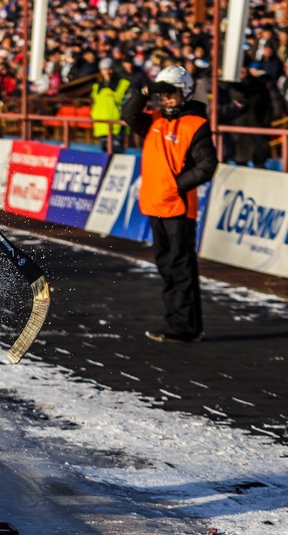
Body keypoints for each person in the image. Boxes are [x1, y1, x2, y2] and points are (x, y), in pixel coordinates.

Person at [122, 65, 217, 344]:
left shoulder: (196, 124)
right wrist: (143, 92)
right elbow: (128, 114)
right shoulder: (154, 119)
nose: (166, 99)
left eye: (171, 93)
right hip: (155, 206)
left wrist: (175, 186)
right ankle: (179, 323)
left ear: (184, 92)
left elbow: (207, 166)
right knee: (167, 267)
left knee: (181, 269)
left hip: (178, 208)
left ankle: (185, 328)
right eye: (162, 94)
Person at [90, 58, 130, 153]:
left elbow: (128, 104)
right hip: (101, 124)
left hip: (117, 126)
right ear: (101, 71)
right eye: (104, 69)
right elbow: (95, 103)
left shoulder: (123, 84)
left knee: (117, 153)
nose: (107, 72)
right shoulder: (96, 86)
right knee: (105, 152)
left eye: (109, 69)